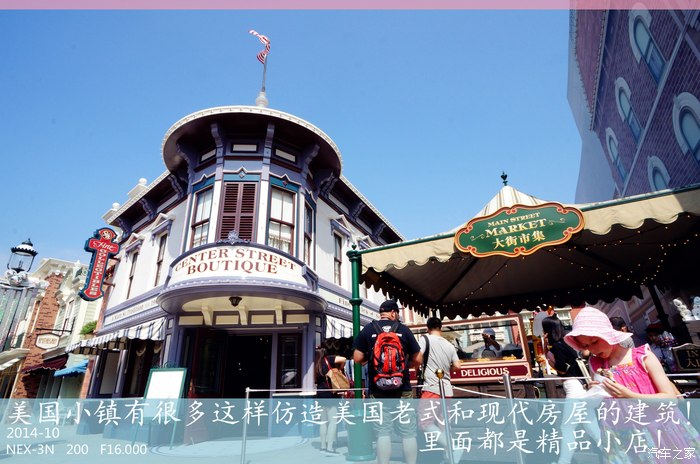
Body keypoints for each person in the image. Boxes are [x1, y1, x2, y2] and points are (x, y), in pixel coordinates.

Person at [564, 307, 697, 463]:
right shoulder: (595, 364)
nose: (592, 349)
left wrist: (629, 395)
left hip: (658, 430)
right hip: (623, 436)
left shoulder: (643, 356)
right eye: (586, 346)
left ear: (608, 335)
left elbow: (670, 399)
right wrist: (594, 391)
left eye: (595, 341)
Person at [353, 300, 422, 464]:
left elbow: (357, 358)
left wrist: (371, 360)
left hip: (377, 390)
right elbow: (418, 358)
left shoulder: (368, 329)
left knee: (382, 432)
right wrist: (404, 366)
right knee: (408, 433)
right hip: (402, 389)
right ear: (393, 313)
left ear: (381, 313)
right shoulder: (403, 330)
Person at [418, 317, 461, 464]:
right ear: (441, 328)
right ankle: (450, 458)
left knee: (424, 422)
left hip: (432, 387)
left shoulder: (425, 339)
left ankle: (453, 448)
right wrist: (446, 369)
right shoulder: (449, 344)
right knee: (443, 424)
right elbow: (458, 365)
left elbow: (418, 358)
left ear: (427, 327)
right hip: (447, 389)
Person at [315, 346, 347, 456]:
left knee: (323, 422)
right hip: (330, 395)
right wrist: (340, 368)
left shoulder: (316, 365)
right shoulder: (328, 359)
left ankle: (323, 446)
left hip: (320, 395)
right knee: (333, 421)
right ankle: (330, 447)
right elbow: (343, 359)